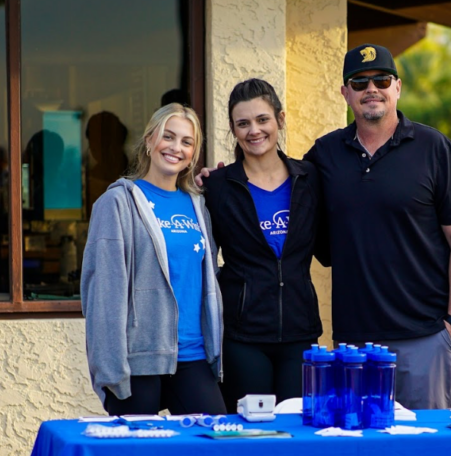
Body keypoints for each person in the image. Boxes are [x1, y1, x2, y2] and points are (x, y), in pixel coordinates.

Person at [304, 43, 451, 410]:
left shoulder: (435, 149)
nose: (371, 89)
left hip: (425, 338)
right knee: (358, 441)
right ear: (345, 92)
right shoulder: (325, 154)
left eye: (382, 80)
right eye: (360, 82)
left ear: (397, 87)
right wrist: (221, 179)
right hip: (354, 345)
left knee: (425, 443)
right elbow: (276, 185)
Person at [80, 103, 224, 416]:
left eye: (186, 142)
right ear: (149, 140)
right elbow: (103, 292)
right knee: (140, 448)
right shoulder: (117, 202)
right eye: (167, 137)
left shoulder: (198, 206)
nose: (176, 148)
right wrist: (110, 370)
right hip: (138, 359)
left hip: (192, 354)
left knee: (215, 439)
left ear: (193, 153)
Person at [202, 79, 324, 413]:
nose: (254, 130)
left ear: (280, 119)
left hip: (300, 331)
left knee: (296, 429)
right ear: (233, 129)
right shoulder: (217, 187)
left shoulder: (309, 178)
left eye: (262, 119)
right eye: (243, 123)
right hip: (243, 336)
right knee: (249, 430)